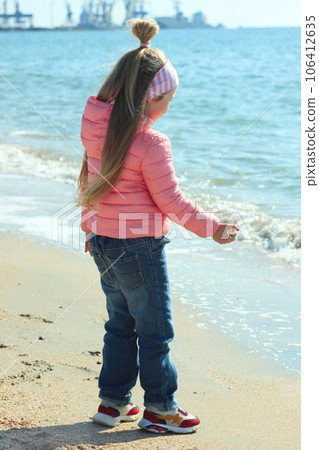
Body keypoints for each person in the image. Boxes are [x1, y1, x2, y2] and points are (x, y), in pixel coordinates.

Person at [75, 18, 239, 434]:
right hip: (141, 247)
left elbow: (87, 180)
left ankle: (112, 404)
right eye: (167, 99)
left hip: (105, 243)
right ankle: (162, 408)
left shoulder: (97, 129)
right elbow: (172, 201)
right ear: (148, 99)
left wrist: (89, 228)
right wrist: (213, 228)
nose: (169, 108)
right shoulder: (151, 142)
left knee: (120, 324)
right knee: (155, 331)